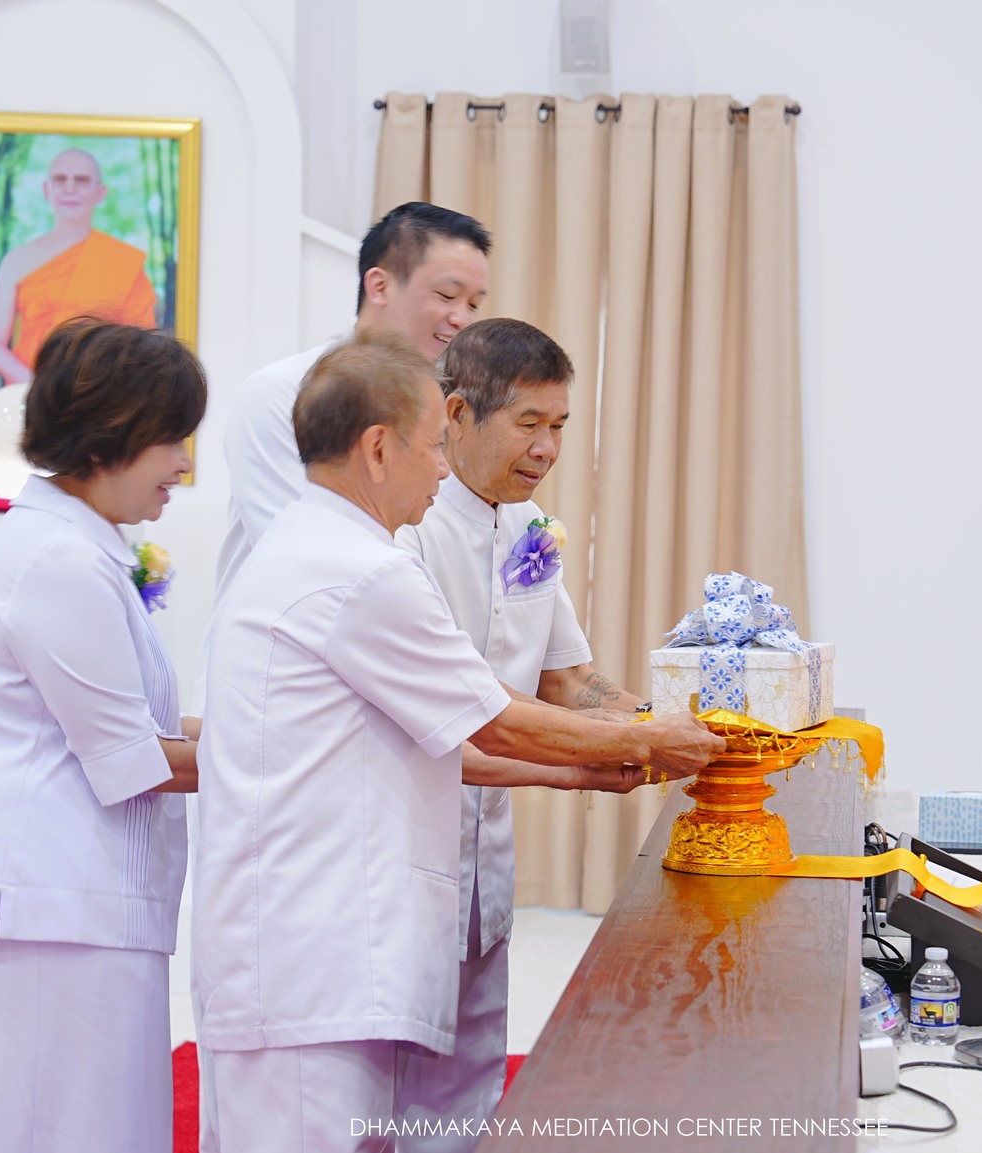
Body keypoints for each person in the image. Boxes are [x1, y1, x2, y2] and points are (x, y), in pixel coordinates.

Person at [195, 332, 724, 1152]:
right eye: (433, 445)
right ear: (379, 448)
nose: (441, 468)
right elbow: (490, 716)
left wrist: (633, 739)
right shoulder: (365, 565)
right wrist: (647, 747)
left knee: (435, 1110)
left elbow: (553, 682)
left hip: (352, 914)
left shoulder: (330, 546)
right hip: (313, 936)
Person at [0, 320, 204, 1151]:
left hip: (65, 899)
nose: (184, 464)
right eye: (172, 439)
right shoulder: (58, 561)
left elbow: (137, 723)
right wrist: (291, 755)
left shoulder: (80, 547)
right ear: (110, 439)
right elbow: (135, 762)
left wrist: (257, 732)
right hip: (44, 905)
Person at [389, 318, 662, 1148]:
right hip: (407, 842)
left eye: (560, 428)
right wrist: (625, 752)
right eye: (530, 425)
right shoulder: (409, 529)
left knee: (475, 1071)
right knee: (396, 1081)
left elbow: (568, 680)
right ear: (460, 414)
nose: (547, 449)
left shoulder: (529, 529)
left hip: (487, 852)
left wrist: (668, 725)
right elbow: (468, 708)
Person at [214, 201, 490, 598]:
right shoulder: (281, 392)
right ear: (379, 286)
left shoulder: (445, 404)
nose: (462, 318)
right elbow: (306, 560)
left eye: (474, 304)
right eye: (447, 295)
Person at [0, 149, 159, 386]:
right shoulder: (16, 261)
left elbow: (141, 346)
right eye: (60, 179)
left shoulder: (121, 263)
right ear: (47, 190)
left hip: (100, 396)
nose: (70, 188)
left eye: (81, 180)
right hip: (27, 392)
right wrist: (36, 388)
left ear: (100, 193)